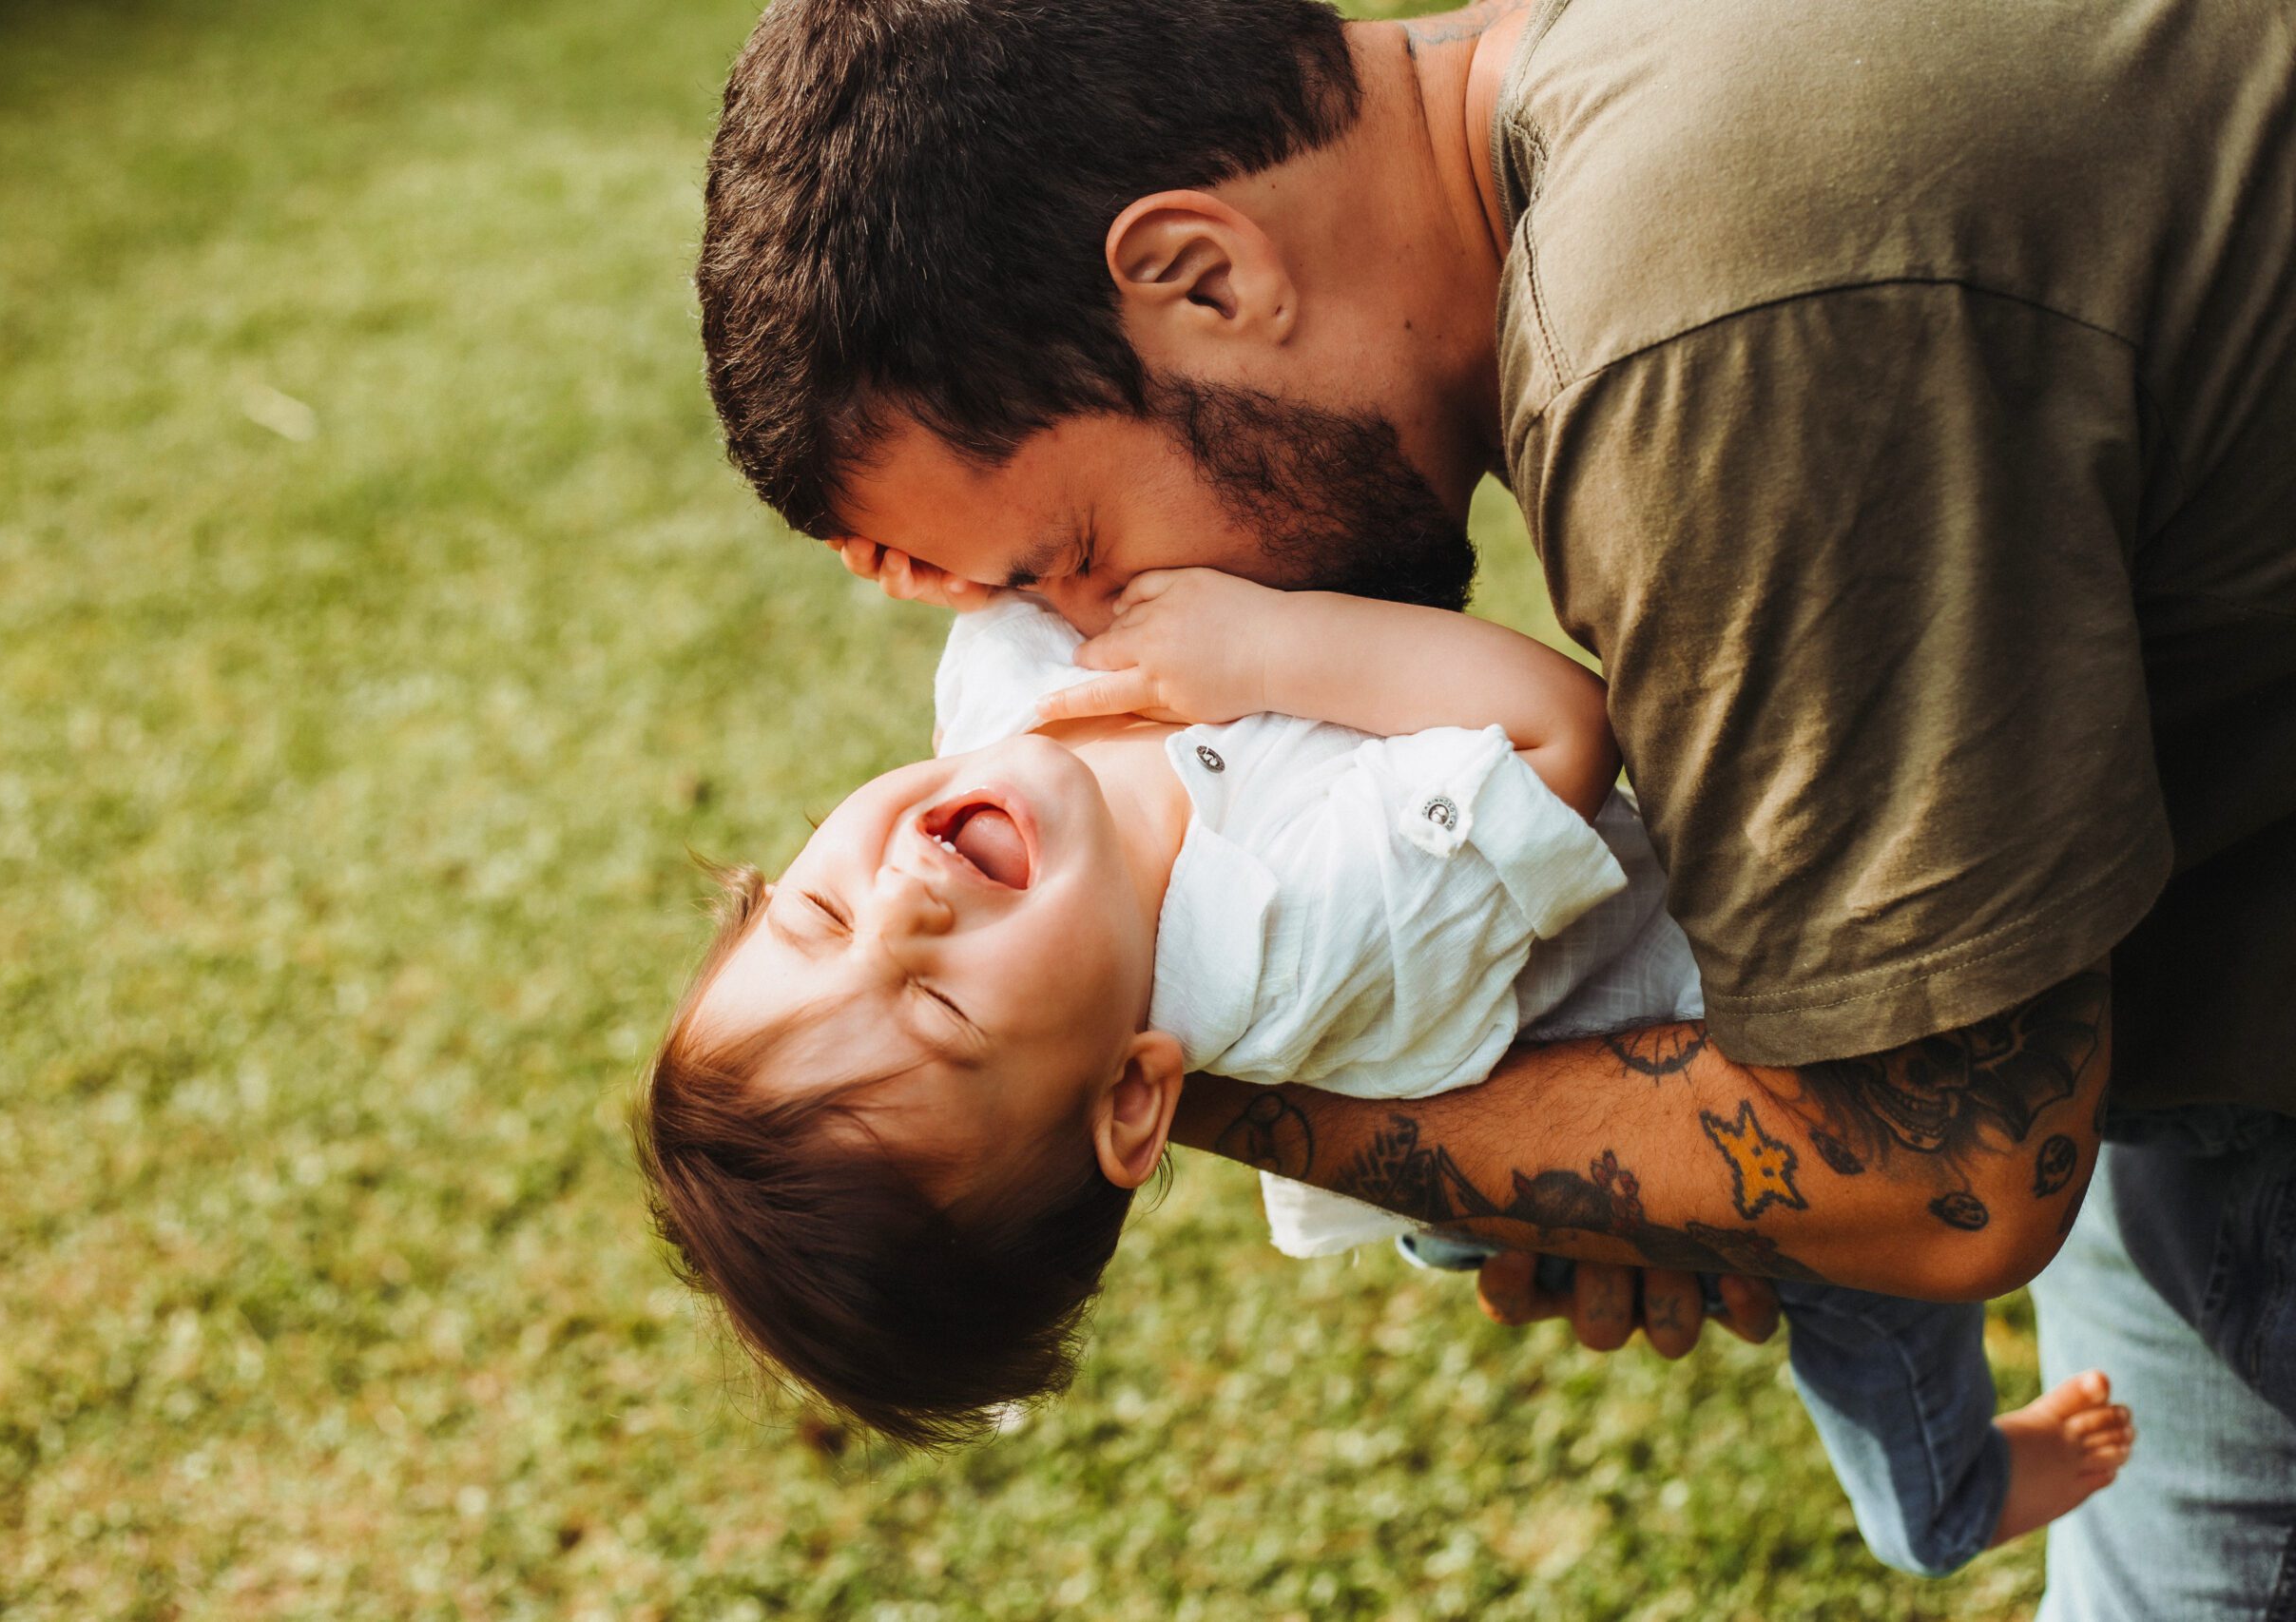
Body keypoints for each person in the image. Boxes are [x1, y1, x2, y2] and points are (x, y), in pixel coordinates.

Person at [693, 0, 2296, 1612]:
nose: (1098, 619)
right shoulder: (1622, 93)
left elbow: (1955, 1175)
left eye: (1075, 554)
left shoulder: (1704, 322)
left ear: (1206, 276)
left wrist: (1171, 1084)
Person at [639, 574, 2133, 1574]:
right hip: (1726, 1046)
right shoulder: (1304, 940)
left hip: (1509, 1073)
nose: (899, 903)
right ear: (1135, 1096)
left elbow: (1015, 576)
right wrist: (1267, 645)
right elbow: (1559, 730)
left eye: (816, 911)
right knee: (1866, 1293)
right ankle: (1946, 1496)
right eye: (937, 1003)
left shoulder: (994, 715)